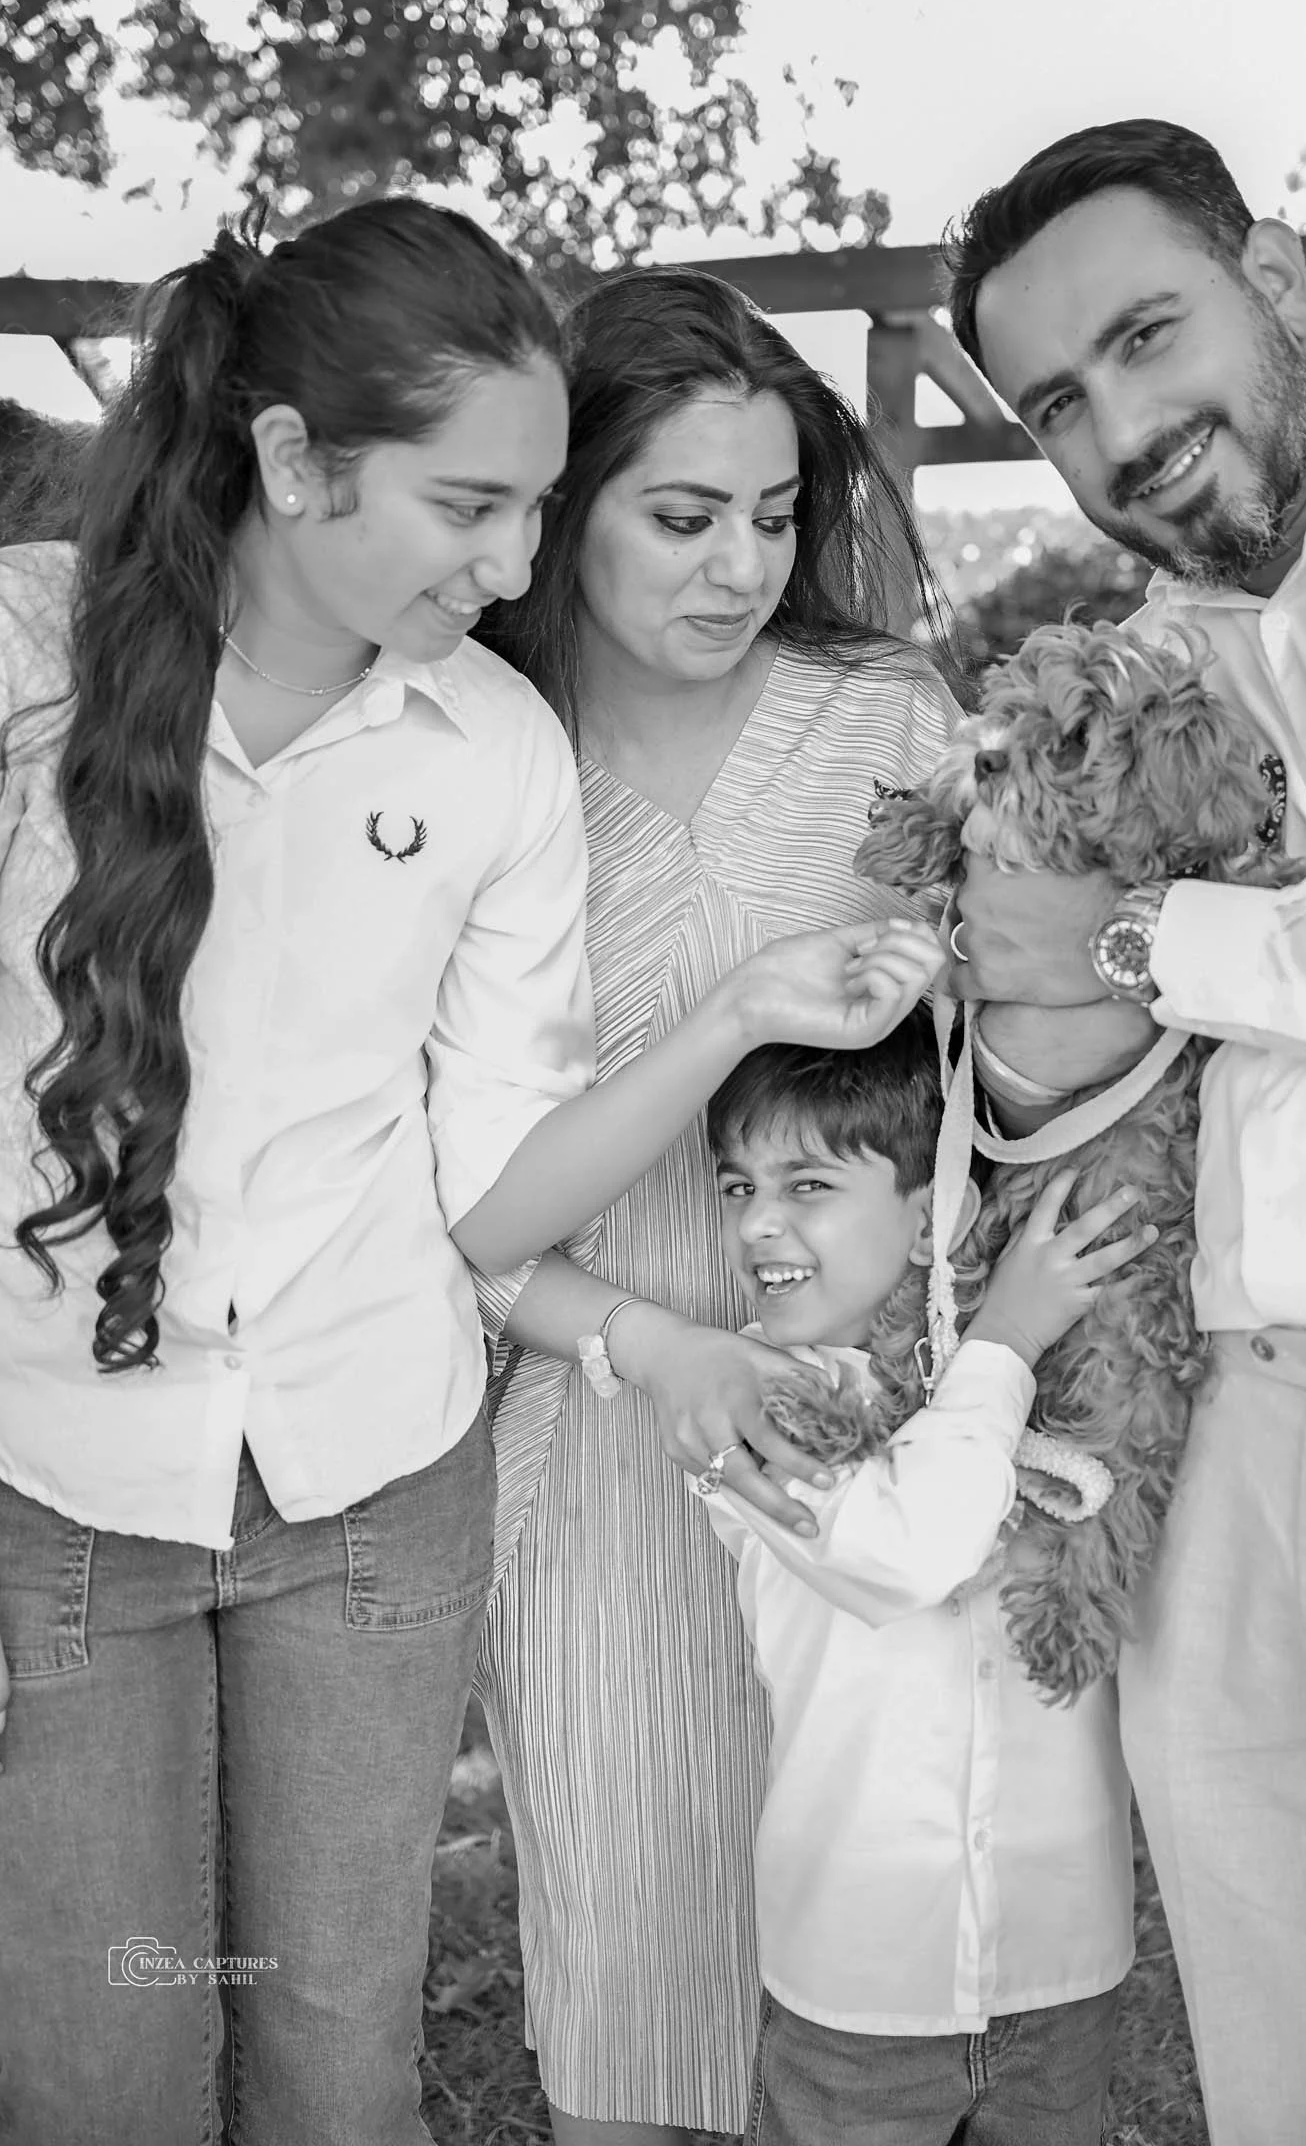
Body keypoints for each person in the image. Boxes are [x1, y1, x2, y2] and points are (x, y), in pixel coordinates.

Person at [0, 200, 941, 2146]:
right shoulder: (32, 661)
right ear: (289, 459)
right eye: (474, 503)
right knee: (106, 2057)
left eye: (537, 505)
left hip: (375, 1463)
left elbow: (490, 1168)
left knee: (338, 2036)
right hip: (68, 1471)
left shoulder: (489, 739)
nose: (515, 558)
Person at [940, 117, 1306, 2146]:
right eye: (1059, 401)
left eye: (1147, 335)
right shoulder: (1189, 624)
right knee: (1291, 2037)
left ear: (1274, 280)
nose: (1120, 431)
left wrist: (1149, 930)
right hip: (1225, 1410)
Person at [472, 266, 963, 2142]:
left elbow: (987, 1084)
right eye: (680, 517)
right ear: (563, 503)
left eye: (772, 516)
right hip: (598, 1424)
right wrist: (633, 1341)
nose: (739, 565)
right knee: (634, 1974)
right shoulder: (468, 751)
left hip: (872, 1432)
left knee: (880, 1976)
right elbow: (439, 1200)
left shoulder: (888, 718)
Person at [696, 1015, 1150, 2146]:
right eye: (736, 1184)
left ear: (925, 1218)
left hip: (1064, 1951)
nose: (759, 1222)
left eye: (806, 1183)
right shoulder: (747, 1405)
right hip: (860, 1978)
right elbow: (906, 1551)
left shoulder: (1057, 1385)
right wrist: (1004, 1343)